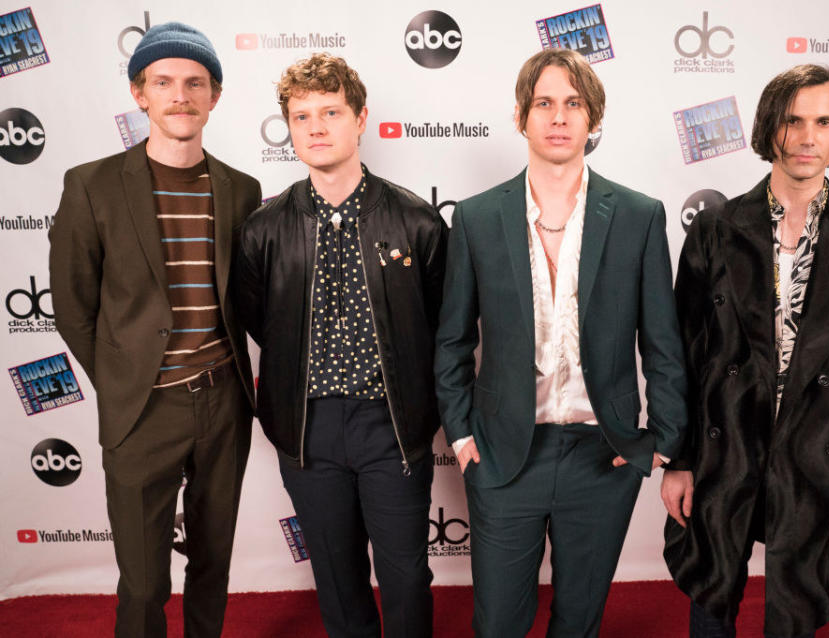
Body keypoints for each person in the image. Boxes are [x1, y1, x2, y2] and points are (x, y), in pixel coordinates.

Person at [434, 48, 687, 637]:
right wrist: (464, 434)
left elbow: (663, 343)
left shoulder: (638, 215)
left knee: (578, 622)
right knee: (498, 623)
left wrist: (659, 441)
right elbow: (450, 340)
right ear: (521, 116)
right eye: (544, 103)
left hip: (605, 455)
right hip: (502, 454)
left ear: (592, 118)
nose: (558, 116)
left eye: (573, 103)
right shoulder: (474, 218)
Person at [662, 64, 829, 638]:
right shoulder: (715, 231)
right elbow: (684, 358)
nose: (806, 137)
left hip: (816, 464)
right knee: (712, 600)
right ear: (771, 126)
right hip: (725, 453)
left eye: (824, 121)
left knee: (794, 612)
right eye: (793, 120)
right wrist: (680, 459)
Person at [48, 22, 261, 638]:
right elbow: (72, 307)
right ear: (140, 93)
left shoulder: (242, 191)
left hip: (224, 403)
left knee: (213, 563)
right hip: (142, 410)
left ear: (214, 97)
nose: (180, 95)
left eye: (195, 83)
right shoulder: (90, 185)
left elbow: (249, 303)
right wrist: (124, 382)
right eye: (163, 82)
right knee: (142, 582)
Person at [231, 53, 447, 638]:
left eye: (331, 112)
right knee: (336, 575)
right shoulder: (263, 228)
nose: (317, 127)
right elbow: (259, 322)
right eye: (302, 117)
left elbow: (443, 323)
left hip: (392, 424)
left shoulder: (417, 222)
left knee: (404, 575)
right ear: (290, 129)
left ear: (361, 119)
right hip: (308, 427)